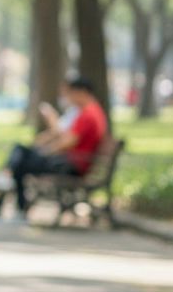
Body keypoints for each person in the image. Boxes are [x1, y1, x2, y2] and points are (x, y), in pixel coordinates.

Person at [6, 76, 108, 219]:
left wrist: (46, 152)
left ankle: (20, 203)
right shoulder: (89, 112)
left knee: (21, 162)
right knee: (21, 153)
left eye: (72, 93)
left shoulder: (88, 115)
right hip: (71, 162)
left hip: (71, 166)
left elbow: (68, 141)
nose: (70, 97)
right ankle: (16, 194)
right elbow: (65, 137)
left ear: (82, 92)